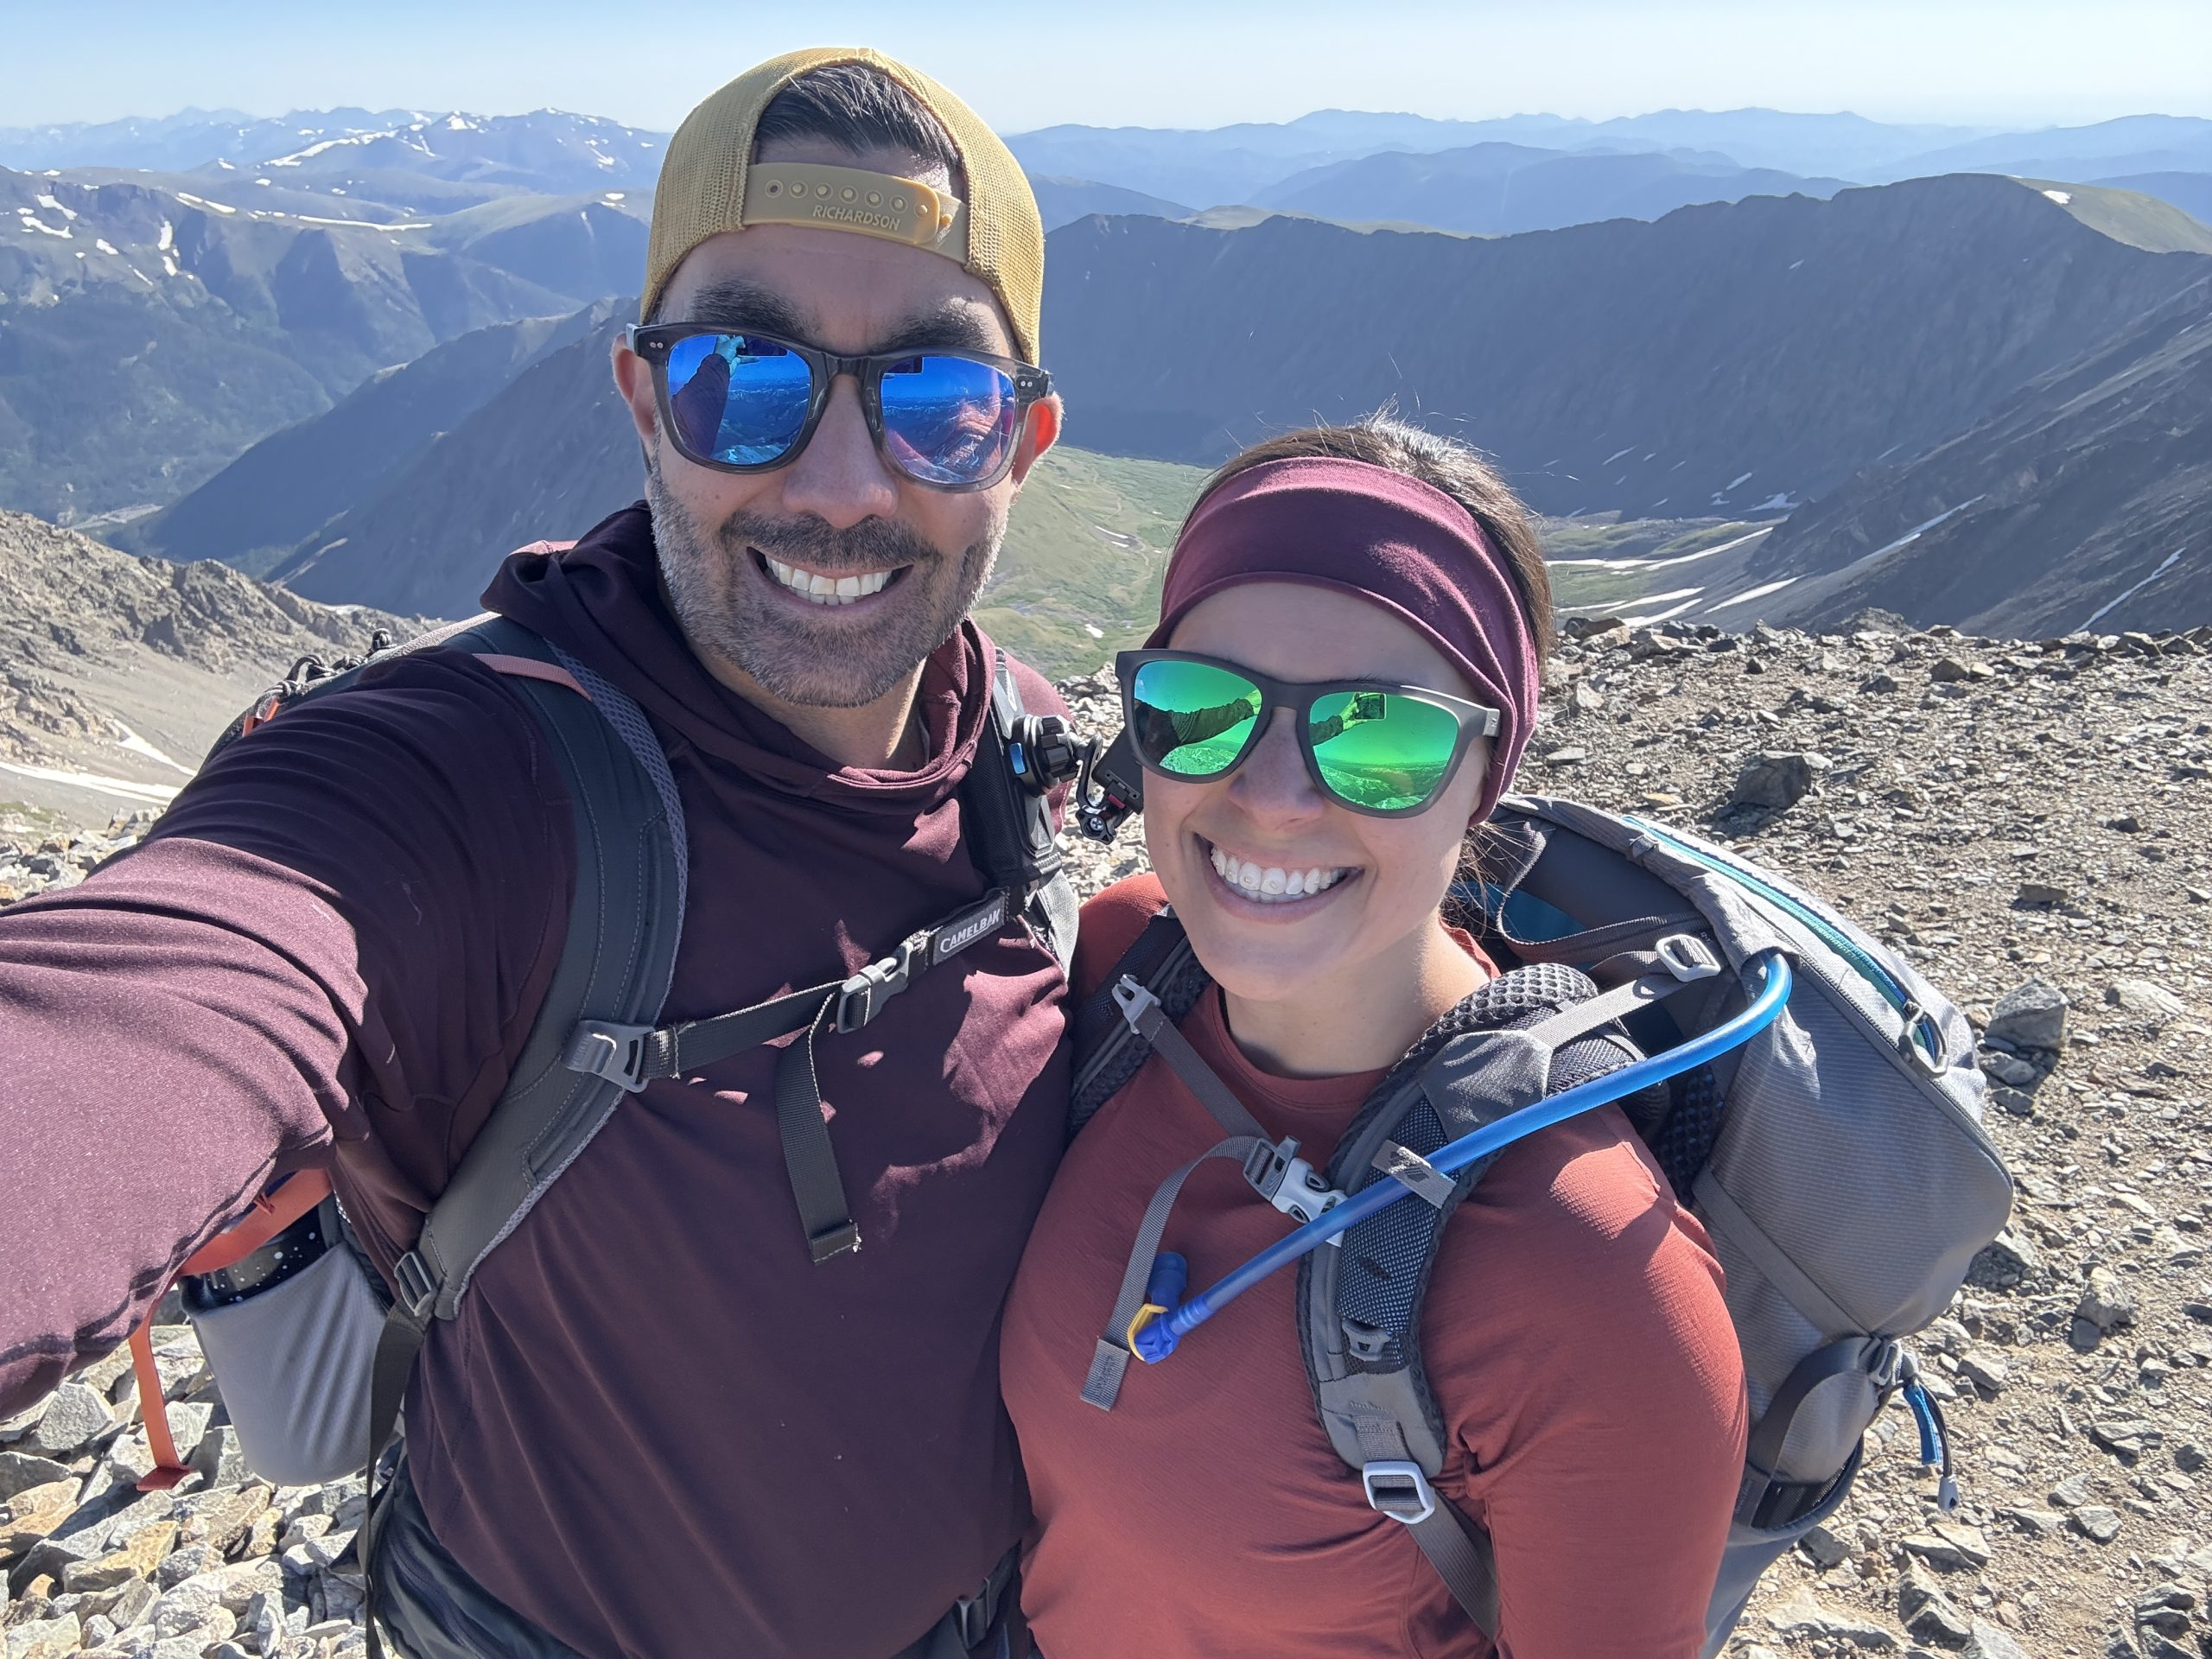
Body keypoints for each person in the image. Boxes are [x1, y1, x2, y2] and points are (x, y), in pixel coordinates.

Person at [0, 48, 1070, 1659]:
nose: (843, 487)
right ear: (643, 397)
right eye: (745, 381)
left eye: (937, 400)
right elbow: (156, 999)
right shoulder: (459, 782)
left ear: (1023, 441)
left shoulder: (1031, 754)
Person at [1000, 417, 1749, 1657]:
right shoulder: (1128, 969)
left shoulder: (1598, 1283)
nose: (1274, 795)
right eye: (1201, 706)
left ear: (1486, 771)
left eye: (1380, 734)